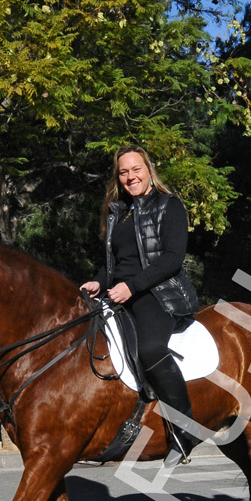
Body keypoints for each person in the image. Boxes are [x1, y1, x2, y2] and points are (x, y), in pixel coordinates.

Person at [81, 144, 200, 463]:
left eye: (136, 169)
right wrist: (99, 281)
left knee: (149, 349)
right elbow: (115, 264)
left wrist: (130, 287)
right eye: (124, 172)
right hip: (120, 291)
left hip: (160, 294)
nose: (130, 176)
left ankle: (185, 430)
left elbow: (173, 259)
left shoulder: (169, 205)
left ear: (148, 170)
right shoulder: (117, 211)